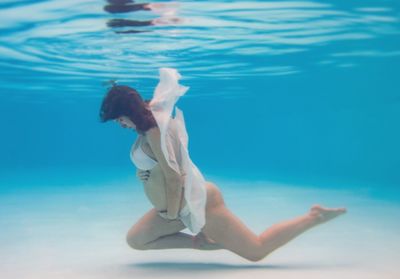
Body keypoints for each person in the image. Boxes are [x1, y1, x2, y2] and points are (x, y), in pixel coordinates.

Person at [99, 68, 347, 262]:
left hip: (193, 203)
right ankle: (202, 240)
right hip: (180, 204)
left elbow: (173, 176)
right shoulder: (150, 121)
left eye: (120, 118)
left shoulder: (153, 130)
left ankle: (314, 217)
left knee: (256, 250)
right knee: (136, 239)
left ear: (131, 111)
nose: (120, 124)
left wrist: (172, 214)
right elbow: (162, 166)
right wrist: (147, 175)